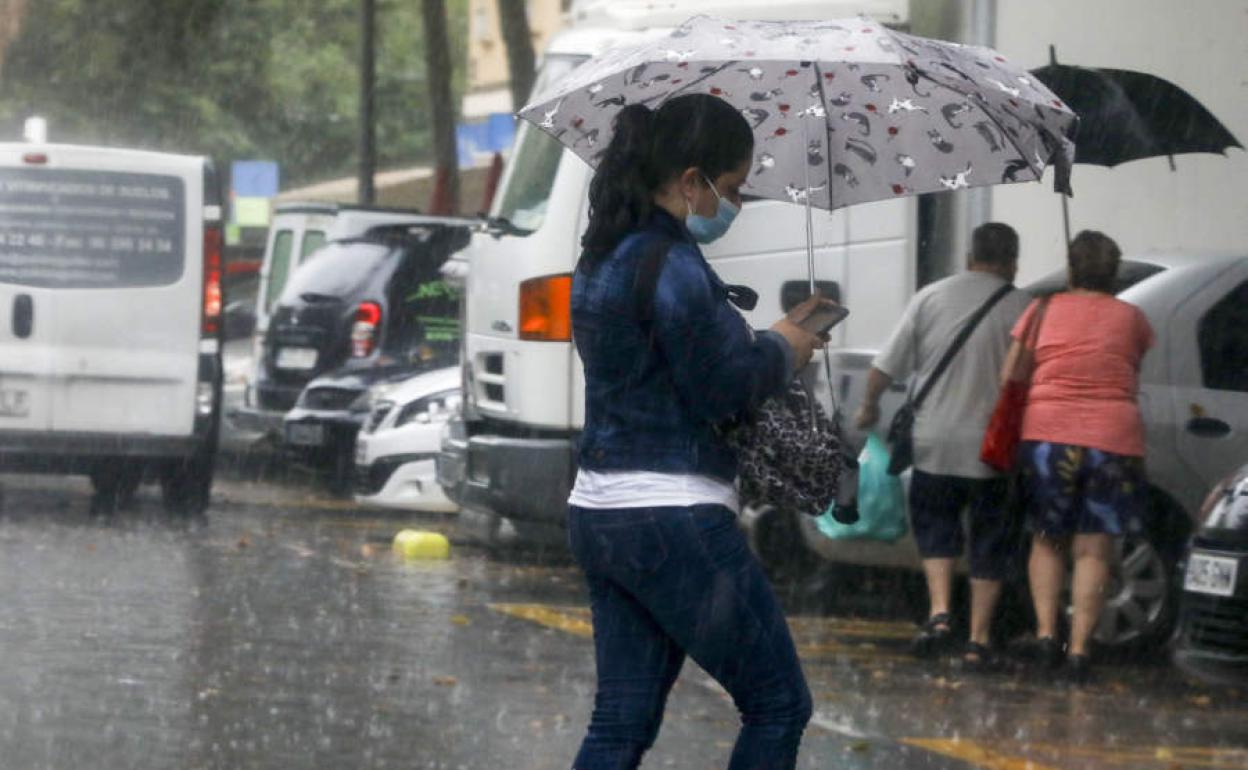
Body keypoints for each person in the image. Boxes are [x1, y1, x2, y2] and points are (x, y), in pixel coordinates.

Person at [566, 95, 830, 770]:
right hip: (673, 512)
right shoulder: (672, 263)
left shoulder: (603, 255)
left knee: (619, 721)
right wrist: (783, 346)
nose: (734, 204)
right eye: (733, 187)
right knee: (778, 704)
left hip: (599, 509)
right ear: (691, 180)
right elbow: (722, 386)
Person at [855, 223, 1031, 669]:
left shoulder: (930, 297)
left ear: (970, 256)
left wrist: (869, 405)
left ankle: (939, 614)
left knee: (937, 528)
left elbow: (885, 366)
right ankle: (978, 638)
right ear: (1012, 261)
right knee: (990, 539)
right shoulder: (1025, 308)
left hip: (934, 440)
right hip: (993, 448)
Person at [1010, 230, 1154, 684]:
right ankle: (1079, 650)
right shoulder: (1134, 318)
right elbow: (1131, 368)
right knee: (1096, 545)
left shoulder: (1041, 310)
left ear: (1071, 269)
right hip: (1114, 437)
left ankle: (1047, 635)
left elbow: (1010, 372)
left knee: (1048, 538)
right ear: (1114, 273)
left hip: (1049, 436)